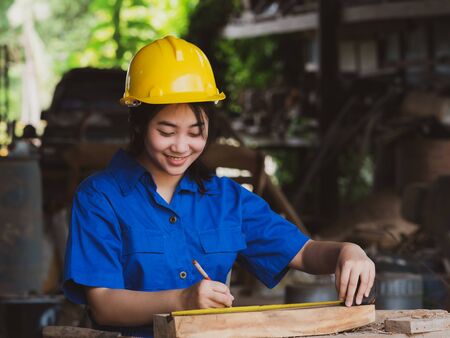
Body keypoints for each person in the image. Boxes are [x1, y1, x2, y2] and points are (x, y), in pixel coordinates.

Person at [63, 36, 375, 338]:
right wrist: (182, 301)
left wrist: (347, 252)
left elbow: (304, 253)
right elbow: (103, 303)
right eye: (166, 131)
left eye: (196, 131)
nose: (181, 146)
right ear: (138, 124)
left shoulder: (227, 200)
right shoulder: (100, 197)